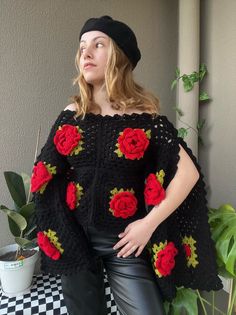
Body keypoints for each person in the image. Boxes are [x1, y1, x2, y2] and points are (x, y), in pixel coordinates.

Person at [31, 16, 222, 315]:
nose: (87, 54)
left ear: (120, 57)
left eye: (98, 45)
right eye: (82, 47)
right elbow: (44, 178)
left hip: (124, 243)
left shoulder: (146, 118)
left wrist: (148, 225)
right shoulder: (72, 115)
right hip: (75, 240)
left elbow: (188, 173)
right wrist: (61, 232)